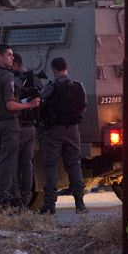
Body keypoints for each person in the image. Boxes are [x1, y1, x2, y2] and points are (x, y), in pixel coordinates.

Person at [0, 44, 41, 208]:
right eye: (9, 55)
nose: (12, 58)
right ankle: (5, 201)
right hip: (10, 124)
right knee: (10, 164)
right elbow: (10, 105)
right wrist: (31, 105)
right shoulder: (6, 77)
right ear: (0, 57)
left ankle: (10, 200)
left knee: (2, 162)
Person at [38, 56, 89, 215]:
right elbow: (83, 107)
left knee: (51, 166)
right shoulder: (78, 86)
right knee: (74, 165)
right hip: (73, 130)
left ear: (54, 70)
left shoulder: (49, 88)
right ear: (66, 68)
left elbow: (41, 107)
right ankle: (80, 204)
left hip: (54, 131)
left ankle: (49, 205)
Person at [11, 53, 40, 207]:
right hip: (31, 127)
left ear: (15, 64)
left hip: (17, 126)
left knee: (14, 164)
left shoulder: (13, 80)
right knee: (27, 164)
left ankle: (17, 200)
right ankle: (25, 196)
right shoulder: (34, 79)